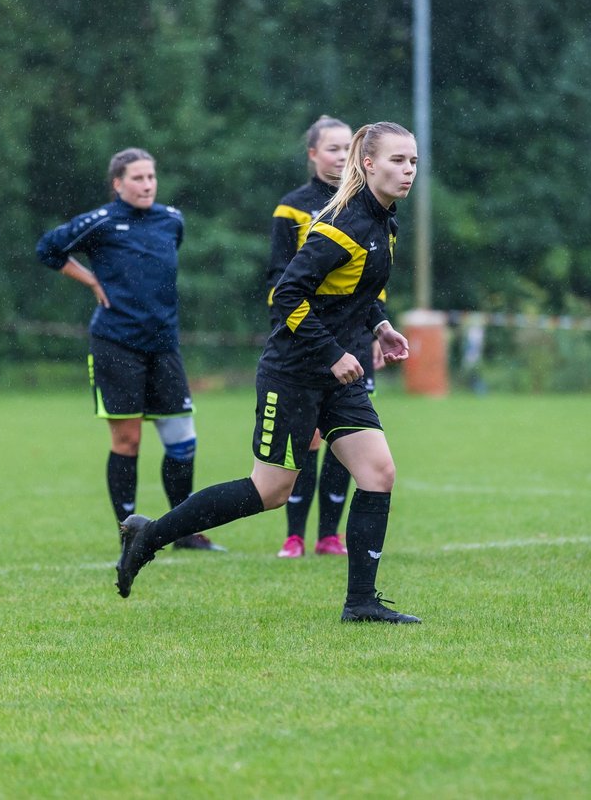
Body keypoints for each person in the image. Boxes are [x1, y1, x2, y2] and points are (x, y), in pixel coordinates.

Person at [115, 123, 421, 624]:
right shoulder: (343, 223)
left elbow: (355, 294)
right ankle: (148, 535)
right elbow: (287, 295)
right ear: (367, 164)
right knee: (271, 490)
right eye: (397, 161)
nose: (407, 170)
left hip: (336, 377)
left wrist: (381, 326)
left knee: (378, 472)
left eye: (412, 161)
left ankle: (361, 603)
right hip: (295, 373)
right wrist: (331, 353)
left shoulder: (384, 221)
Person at [36, 148, 223, 552]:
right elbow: (48, 249)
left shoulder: (172, 221)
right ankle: (129, 535)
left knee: (182, 440)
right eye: (137, 178)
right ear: (118, 184)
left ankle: (182, 532)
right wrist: (90, 280)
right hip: (116, 344)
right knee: (128, 442)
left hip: (164, 346)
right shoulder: (101, 222)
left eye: (151, 177)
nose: (147, 185)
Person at [266, 116, 388, 559]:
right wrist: (300, 328)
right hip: (309, 339)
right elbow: (282, 282)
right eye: (332, 149)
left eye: (346, 149)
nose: (341, 156)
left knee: (351, 443)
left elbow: (365, 286)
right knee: (310, 441)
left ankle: (330, 535)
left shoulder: (369, 206)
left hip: (354, 339)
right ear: (313, 155)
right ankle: (295, 534)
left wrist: (377, 325)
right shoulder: (295, 208)